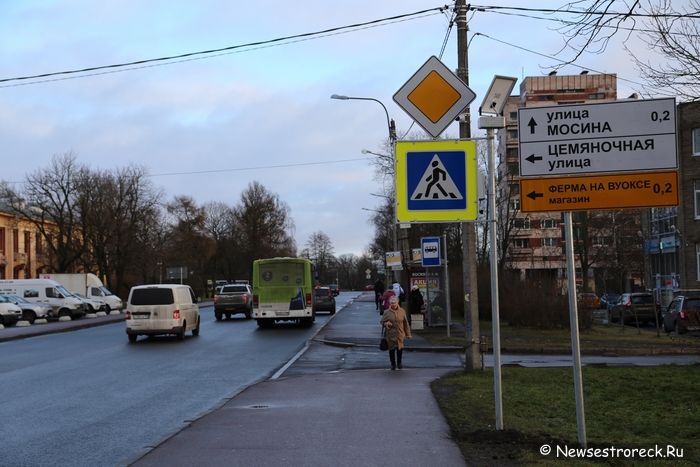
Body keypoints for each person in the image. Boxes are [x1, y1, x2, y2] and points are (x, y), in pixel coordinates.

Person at [381, 296, 411, 370]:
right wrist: (386, 323)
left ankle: (399, 363)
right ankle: (393, 364)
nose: (393, 304)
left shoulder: (402, 311)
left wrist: (408, 334)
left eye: (394, 302)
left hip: (400, 333)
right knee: (391, 349)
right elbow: (382, 321)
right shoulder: (386, 312)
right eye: (391, 303)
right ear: (389, 303)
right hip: (390, 334)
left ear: (397, 302)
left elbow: (406, 323)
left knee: (399, 349)